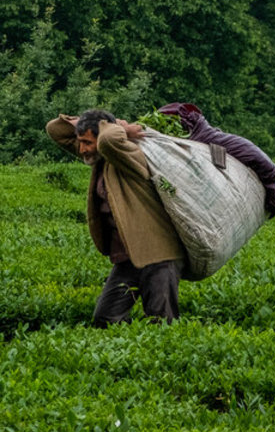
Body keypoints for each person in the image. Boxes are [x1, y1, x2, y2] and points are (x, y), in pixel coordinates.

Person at [46, 110, 187, 327]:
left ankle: (163, 360)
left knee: (162, 322)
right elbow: (54, 130)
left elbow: (110, 138)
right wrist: (86, 122)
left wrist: (118, 126)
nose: (81, 149)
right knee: (106, 318)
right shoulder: (98, 155)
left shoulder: (125, 152)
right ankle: (128, 357)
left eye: (86, 142)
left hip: (158, 254)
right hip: (128, 257)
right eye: (79, 142)